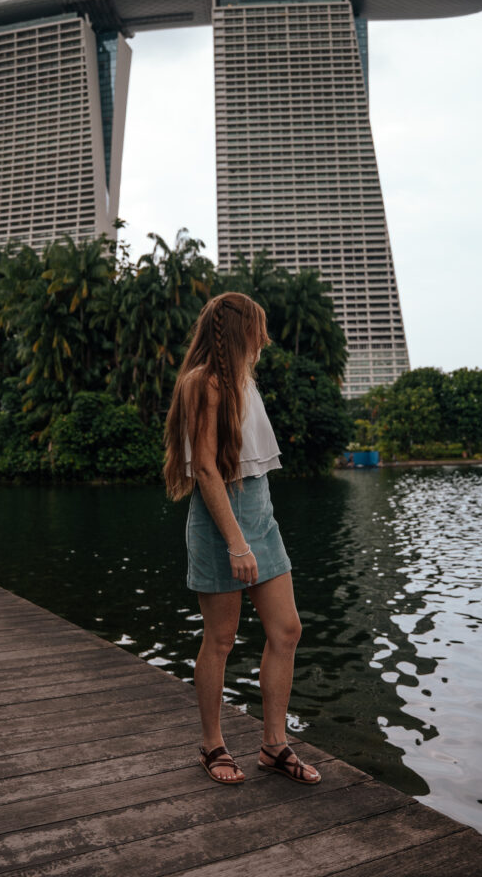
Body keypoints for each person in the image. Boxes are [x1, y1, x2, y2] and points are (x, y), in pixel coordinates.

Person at [164, 291, 321, 787]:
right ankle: (212, 744)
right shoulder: (202, 384)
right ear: (239, 330)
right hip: (220, 521)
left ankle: (274, 746)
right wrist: (236, 543)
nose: (264, 339)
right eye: (257, 329)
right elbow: (206, 470)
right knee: (222, 639)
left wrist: (254, 534)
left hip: (260, 511)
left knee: (287, 630)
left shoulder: (243, 381)